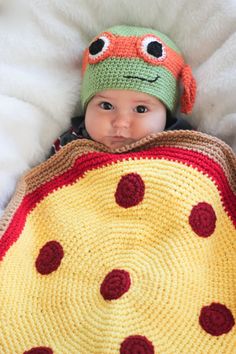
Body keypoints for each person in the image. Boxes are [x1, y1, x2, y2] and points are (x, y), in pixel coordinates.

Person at [49, 25, 196, 156]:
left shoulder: (184, 147)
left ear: (166, 114)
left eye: (141, 109)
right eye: (106, 106)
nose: (120, 123)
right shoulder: (69, 147)